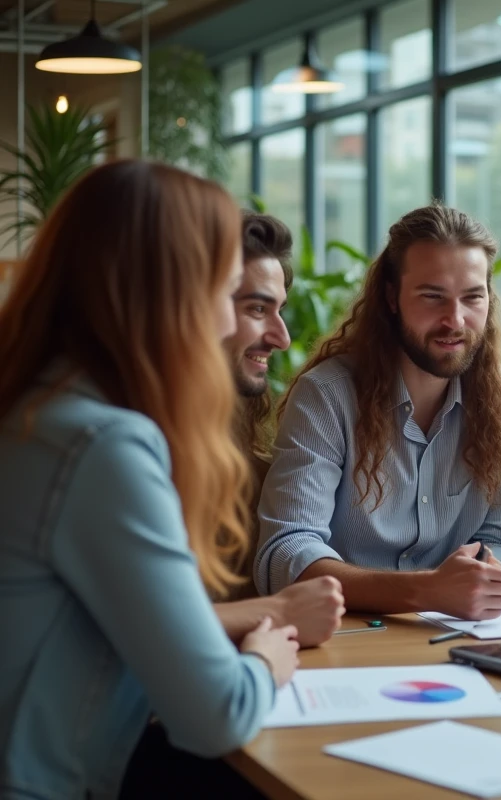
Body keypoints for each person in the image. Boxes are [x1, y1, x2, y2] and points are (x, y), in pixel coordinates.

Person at [0, 160, 298, 798]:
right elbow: (217, 713)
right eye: (227, 294)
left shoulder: (34, 410)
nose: (228, 325)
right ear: (165, 296)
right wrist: (266, 659)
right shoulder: (103, 446)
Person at [254, 204, 501, 620]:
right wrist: (427, 590)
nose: (455, 320)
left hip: (457, 632)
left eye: (473, 297)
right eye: (432, 297)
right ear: (391, 297)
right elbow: (285, 554)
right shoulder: (326, 396)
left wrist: (486, 573)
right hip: (342, 634)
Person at [214, 212, 345, 647]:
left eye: (279, 310)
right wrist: (280, 612)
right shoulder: (120, 445)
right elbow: (140, 623)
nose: (282, 337)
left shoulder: (249, 452)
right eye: (257, 309)